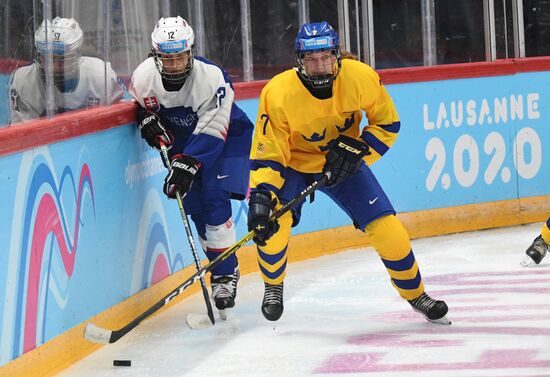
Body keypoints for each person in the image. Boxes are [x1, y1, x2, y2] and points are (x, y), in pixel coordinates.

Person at [247, 21, 450, 324]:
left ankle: (416, 294)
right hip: (293, 166)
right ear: (299, 61)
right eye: (311, 60)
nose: (320, 66)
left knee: (389, 229)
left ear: (337, 55)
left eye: (326, 57)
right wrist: (262, 194)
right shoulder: (277, 92)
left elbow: (387, 124)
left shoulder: (360, 77)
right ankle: (273, 286)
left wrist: (358, 150)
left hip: (343, 166)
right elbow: (270, 149)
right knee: (273, 227)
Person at [129, 16, 253, 312]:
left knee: (213, 197)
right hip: (184, 146)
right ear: (156, 56)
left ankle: (224, 275)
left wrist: (189, 163)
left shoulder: (212, 78)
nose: (173, 65)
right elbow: (139, 105)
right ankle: (221, 267)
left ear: (191, 51)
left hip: (223, 140)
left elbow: (214, 127)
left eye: (180, 56)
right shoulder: (144, 76)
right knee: (195, 206)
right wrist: (145, 119)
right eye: (167, 58)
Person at [8, 17, 124, 124]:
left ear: (76, 55)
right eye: (47, 58)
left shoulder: (102, 76)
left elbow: (119, 122)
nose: (53, 66)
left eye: (61, 59)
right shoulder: (24, 82)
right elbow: (24, 138)